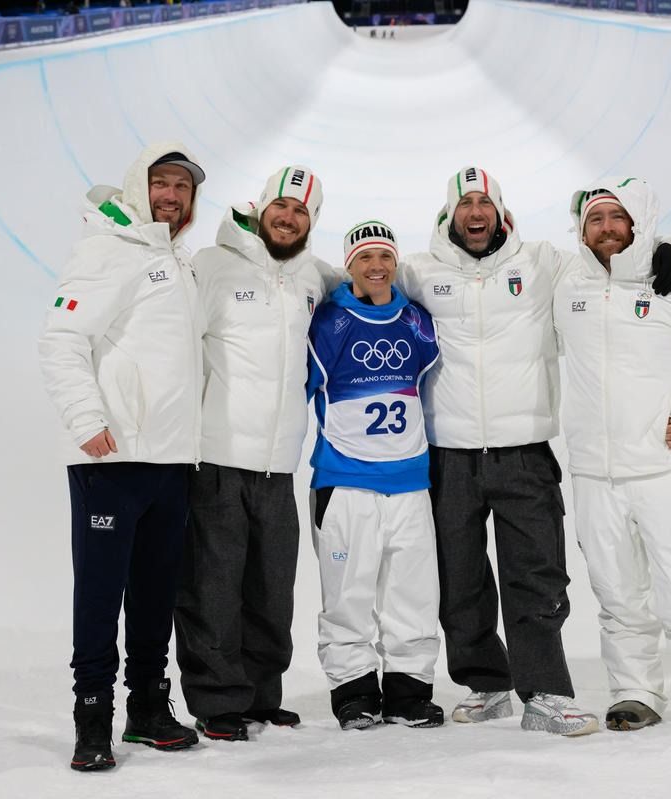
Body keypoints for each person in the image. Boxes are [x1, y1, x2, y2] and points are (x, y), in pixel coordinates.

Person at [397, 167, 671, 737]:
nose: (475, 213)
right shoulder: (419, 272)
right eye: (465, 204)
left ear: (501, 213)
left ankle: (546, 693)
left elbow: (608, 252)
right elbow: (363, 276)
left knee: (535, 575)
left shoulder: (543, 263)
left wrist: (663, 251)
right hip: (448, 454)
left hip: (524, 451)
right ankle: (486, 683)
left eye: (485, 203)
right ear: (449, 215)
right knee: (458, 578)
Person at [39, 142, 206, 771]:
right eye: (161, 183)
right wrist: (86, 419)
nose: (171, 195)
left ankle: (148, 707)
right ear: (139, 186)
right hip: (112, 461)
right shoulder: (108, 249)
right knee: (100, 594)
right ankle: (92, 719)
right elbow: (61, 338)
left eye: (182, 187)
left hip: (170, 459)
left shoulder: (176, 260)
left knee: (155, 593)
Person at [556, 177, 671, 735]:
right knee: (617, 594)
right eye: (595, 219)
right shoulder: (568, 285)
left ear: (637, 223)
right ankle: (635, 692)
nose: (607, 228)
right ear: (581, 230)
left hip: (664, 469)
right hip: (595, 473)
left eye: (618, 217)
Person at [174, 166, 337, 742]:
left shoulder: (312, 276)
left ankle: (262, 695)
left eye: (301, 212)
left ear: (311, 222)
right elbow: (177, 345)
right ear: (260, 208)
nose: (288, 219)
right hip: (216, 457)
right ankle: (218, 701)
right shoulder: (211, 265)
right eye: (281, 207)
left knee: (271, 589)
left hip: (278, 464)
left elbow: (367, 278)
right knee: (213, 588)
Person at [307, 221, 443, 731]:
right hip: (346, 482)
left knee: (414, 592)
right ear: (350, 265)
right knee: (348, 594)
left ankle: (409, 693)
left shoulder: (416, 321)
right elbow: (298, 388)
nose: (377, 266)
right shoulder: (329, 322)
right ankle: (354, 692)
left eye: (385, 256)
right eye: (365, 257)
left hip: (409, 482)